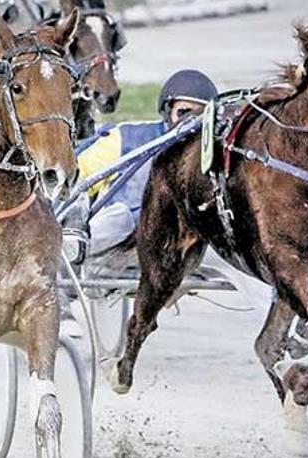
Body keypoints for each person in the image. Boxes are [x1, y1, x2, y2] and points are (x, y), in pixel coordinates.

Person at [60, 69, 218, 335]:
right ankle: (61, 289)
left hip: (175, 251)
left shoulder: (210, 155)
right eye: (185, 113)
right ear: (167, 111)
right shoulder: (128, 139)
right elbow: (78, 179)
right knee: (121, 217)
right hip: (117, 235)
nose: (192, 124)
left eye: (201, 117)